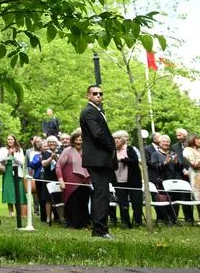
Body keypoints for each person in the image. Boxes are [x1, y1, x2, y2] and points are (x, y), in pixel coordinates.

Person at [78, 84, 114, 239]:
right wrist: (111, 145)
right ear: (88, 96)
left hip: (101, 158)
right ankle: (99, 230)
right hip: (97, 158)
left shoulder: (97, 111)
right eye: (95, 93)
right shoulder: (89, 112)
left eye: (100, 93)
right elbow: (97, 134)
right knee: (101, 194)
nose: (98, 96)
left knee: (103, 193)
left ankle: (101, 228)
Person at [56, 128, 91, 229]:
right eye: (77, 139)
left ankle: (84, 224)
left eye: (81, 139)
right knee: (72, 204)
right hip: (70, 183)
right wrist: (60, 180)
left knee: (83, 204)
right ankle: (72, 224)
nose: (79, 141)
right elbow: (58, 166)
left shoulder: (88, 151)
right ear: (73, 140)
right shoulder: (67, 151)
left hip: (86, 182)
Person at [112, 131, 143, 228]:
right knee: (122, 203)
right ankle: (125, 222)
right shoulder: (112, 151)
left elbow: (135, 162)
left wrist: (122, 159)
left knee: (136, 202)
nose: (116, 140)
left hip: (133, 181)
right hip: (118, 181)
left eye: (118, 138)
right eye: (114, 139)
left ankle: (138, 222)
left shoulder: (130, 149)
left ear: (124, 140)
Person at [30, 135, 60, 224]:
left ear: (57, 143)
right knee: (48, 199)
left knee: (58, 198)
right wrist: (51, 158)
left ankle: (59, 217)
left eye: (54, 142)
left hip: (58, 177)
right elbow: (43, 164)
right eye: (50, 142)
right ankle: (48, 218)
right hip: (47, 177)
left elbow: (62, 164)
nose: (52, 144)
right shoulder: (45, 153)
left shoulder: (60, 151)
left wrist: (57, 157)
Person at [0, 134, 27, 218]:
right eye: (8, 139)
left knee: (18, 191)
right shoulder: (3, 149)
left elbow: (21, 162)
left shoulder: (19, 150)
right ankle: (10, 212)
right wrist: (7, 155)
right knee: (8, 191)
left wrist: (13, 156)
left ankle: (19, 212)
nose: (10, 141)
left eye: (11, 139)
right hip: (7, 171)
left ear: (14, 140)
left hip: (17, 172)